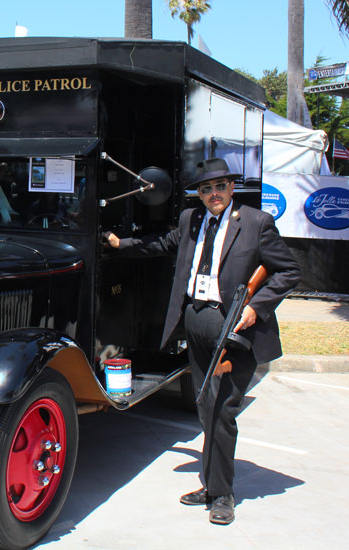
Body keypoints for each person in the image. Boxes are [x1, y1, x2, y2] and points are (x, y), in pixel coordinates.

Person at [105, 158, 300, 525]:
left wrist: (256, 308)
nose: (214, 194)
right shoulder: (190, 219)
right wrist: (120, 243)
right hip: (195, 319)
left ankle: (223, 495)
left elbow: (289, 271)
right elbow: (162, 244)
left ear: (231, 187)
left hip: (235, 326)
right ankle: (210, 485)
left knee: (223, 410)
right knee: (204, 405)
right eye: (206, 189)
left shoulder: (257, 223)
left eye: (220, 186)